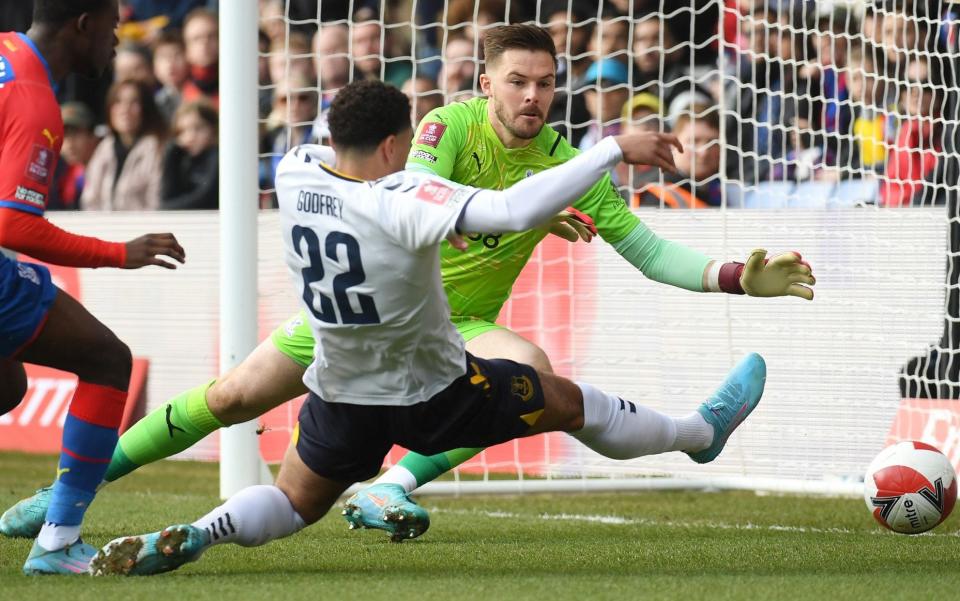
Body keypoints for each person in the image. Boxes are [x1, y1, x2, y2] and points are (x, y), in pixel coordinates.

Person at [1, 24, 815, 547]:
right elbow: (421, 199)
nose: (533, 97)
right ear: (485, 83)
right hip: (385, 316)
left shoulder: (560, 161)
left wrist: (738, 277)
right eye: (517, 81)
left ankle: (390, 484)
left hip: (450, 326)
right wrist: (509, 210)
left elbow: (648, 250)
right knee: (230, 397)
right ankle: (72, 489)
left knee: (534, 369)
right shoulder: (444, 126)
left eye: (545, 83)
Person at [0, 0, 185, 574]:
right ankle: (57, 544)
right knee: (107, 360)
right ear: (83, 25)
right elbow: (11, 223)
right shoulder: (35, 100)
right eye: (110, 27)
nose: (116, 40)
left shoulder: (4, 49)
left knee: (6, 387)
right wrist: (119, 254)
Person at [81, 79, 166, 211]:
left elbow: (156, 203)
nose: (125, 109)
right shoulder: (104, 148)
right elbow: (90, 201)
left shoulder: (158, 149)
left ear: (146, 108)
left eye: (134, 102)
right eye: (118, 102)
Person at [160, 100, 218, 210]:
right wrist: (172, 154)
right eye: (182, 131)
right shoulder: (183, 159)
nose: (190, 137)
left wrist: (165, 209)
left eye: (198, 128)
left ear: (213, 129)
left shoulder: (217, 157)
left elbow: (206, 198)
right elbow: (168, 196)